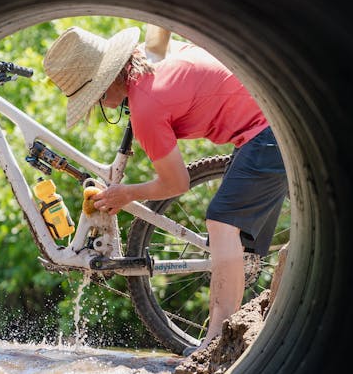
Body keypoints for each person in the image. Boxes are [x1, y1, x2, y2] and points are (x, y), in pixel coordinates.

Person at [43, 25, 288, 355]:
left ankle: (215, 340)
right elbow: (159, 30)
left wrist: (126, 193)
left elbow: (177, 183)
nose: (103, 104)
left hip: (267, 130)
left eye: (97, 95)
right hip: (269, 117)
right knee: (239, 238)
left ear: (112, 77)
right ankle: (241, 326)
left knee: (221, 222)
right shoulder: (153, 59)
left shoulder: (146, 108)